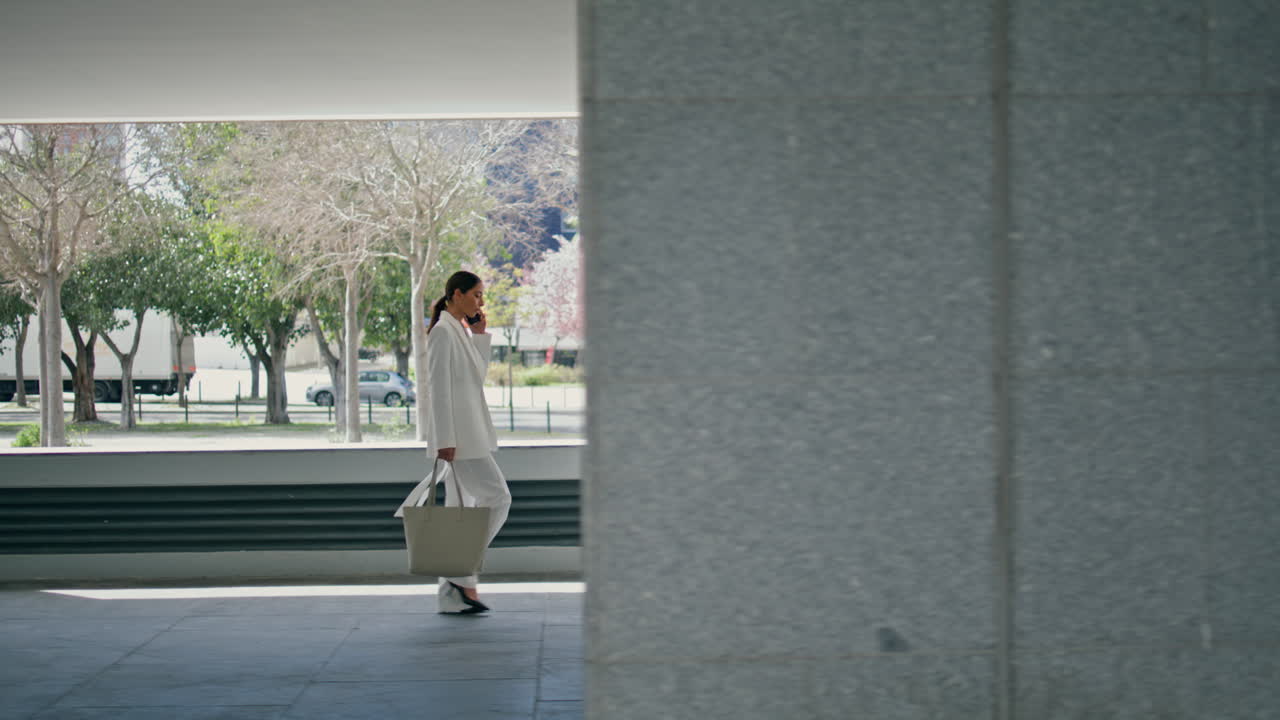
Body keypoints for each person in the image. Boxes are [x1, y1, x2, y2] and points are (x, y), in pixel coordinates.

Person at [397, 270, 511, 614]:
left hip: (468, 435)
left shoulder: (457, 330)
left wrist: (479, 335)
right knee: (498, 497)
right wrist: (444, 439)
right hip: (459, 440)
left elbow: (475, 378)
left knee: (464, 508)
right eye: (476, 294)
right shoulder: (443, 333)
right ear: (457, 294)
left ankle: (455, 594)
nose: (481, 301)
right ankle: (458, 572)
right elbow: (438, 391)